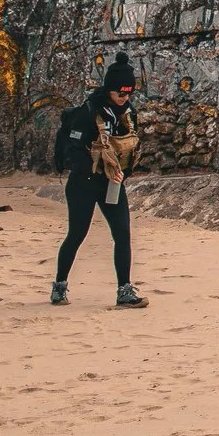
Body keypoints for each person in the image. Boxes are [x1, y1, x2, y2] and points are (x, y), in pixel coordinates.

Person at [52, 54, 147, 308]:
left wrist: (122, 172)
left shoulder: (129, 114)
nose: (124, 98)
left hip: (112, 184)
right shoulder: (88, 113)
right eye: (120, 93)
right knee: (77, 234)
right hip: (83, 184)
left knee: (123, 234)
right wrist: (98, 168)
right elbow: (72, 152)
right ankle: (59, 285)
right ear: (109, 89)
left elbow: (129, 150)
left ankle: (124, 290)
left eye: (129, 93)